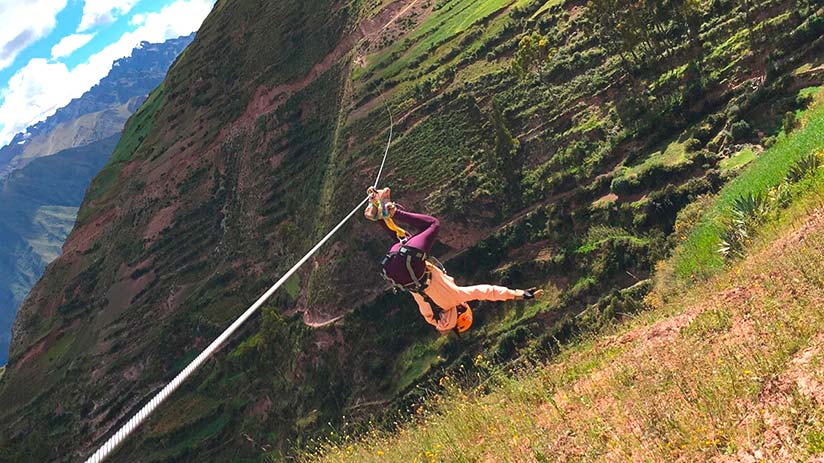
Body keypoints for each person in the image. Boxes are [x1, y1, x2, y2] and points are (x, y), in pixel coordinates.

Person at [365, 187, 542, 333]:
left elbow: (488, 291)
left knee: (432, 225)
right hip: (394, 270)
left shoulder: (457, 297)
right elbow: (425, 307)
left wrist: (519, 294)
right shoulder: (431, 315)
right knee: (405, 241)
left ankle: (390, 209)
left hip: (412, 264)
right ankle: (378, 213)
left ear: (462, 310)